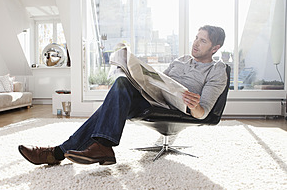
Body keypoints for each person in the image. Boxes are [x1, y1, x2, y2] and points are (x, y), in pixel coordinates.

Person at [18, 25, 227, 166]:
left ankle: (60, 152)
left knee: (111, 105)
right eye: (196, 38)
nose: (195, 44)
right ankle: (100, 147)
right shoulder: (180, 60)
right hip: (155, 100)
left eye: (203, 41)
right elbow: (162, 84)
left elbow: (204, 113)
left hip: (179, 109)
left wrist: (195, 104)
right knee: (121, 82)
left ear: (215, 48)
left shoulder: (217, 71)